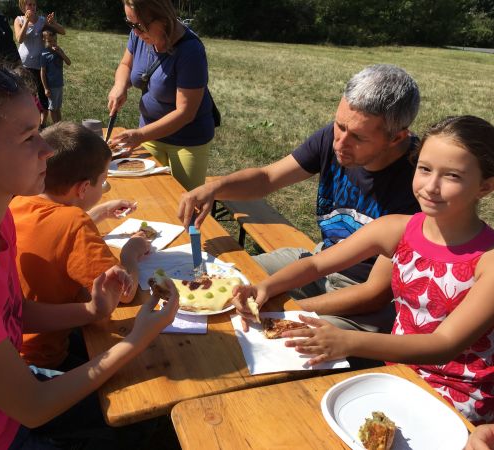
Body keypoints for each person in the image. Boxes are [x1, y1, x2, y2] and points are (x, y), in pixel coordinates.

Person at [0, 61, 179, 449]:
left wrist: (92, 311)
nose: (47, 149)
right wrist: (137, 339)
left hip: (6, 404)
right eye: (29, 137)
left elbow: (12, 309)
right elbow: (32, 406)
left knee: (142, 411)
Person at [233, 115, 494, 424]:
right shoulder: (399, 229)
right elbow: (317, 263)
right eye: (424, 169)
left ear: (485, 186)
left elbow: (442, 345)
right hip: (396, 370)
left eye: (452, 176)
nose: (431, 186)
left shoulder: (487, 260)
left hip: (459, 395)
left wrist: (347, 342)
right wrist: (267, 287)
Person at [179, 64, 421, 331]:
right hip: (318, 263)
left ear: (397, 136)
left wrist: (286, 308)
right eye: (339, 126)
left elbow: (373, 295)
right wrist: (215, 188)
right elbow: (267, 178)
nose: (340, 143)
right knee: (223, 281)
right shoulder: (334, 137)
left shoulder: (421, 184)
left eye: (358, 138)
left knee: (274, 336)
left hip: (360, 301)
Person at [10, 121, 148, 371]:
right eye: (103, 182)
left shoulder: (18, 200)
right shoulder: (74, 223)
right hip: (42, 358)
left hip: (9, 347)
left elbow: (52, 233)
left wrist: (99, 212)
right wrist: (131, 253)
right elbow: (122, 294)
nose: (104, 189)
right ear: (83, 188)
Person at [107, 0, 215, 191]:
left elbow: (185, 113)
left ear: (163, 19)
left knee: (185, 201)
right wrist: (120, 85)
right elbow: (126, 65)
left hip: (187, 142)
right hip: (149, 132)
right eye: (130, 23)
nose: (135, 31)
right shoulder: (137, 35)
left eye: (139, 25)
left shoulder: (191, 51)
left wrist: (140, 135)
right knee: (146, 194)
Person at [14, 0, 65, 128]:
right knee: (28, 94)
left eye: (34, 4)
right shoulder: (19, 19)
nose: (32, 7)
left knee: (43, 95)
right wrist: (26, 21)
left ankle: (42, 123)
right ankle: (29, 122)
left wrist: (53, 23)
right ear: (23, 6)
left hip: (41, 64)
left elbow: (62, 31)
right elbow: (19, 38)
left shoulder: (42, 20)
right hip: (25, 64)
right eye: (29, 4)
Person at [40, 29, 71, 124]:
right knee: (52, 108)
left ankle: (60, 125)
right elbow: (42, 72)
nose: (53, 43)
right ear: (44, 40)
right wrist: (45, 88)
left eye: (55, 41)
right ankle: (56, 127)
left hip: (59, 84)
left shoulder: (59, 50)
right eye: (49, 41)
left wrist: (60, 52)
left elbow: (68, 62)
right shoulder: (44, 54)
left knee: (58, 107)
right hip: (51, 85)